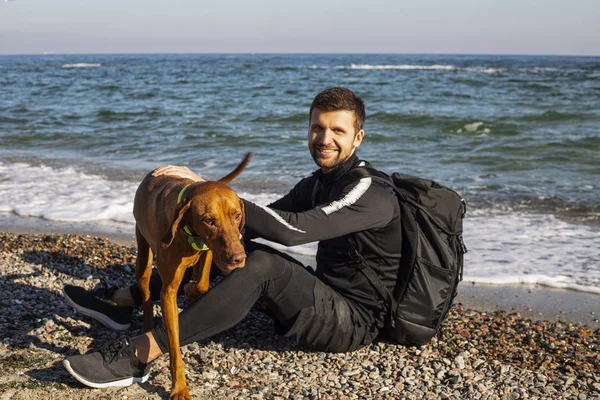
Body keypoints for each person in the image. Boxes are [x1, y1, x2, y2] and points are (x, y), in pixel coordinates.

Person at [62, 87, 401, 388]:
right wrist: (200, 204)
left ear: (358, 137)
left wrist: (206, 189)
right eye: (317, 127)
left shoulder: (370, 191)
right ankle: (129, 299)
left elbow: (291, 231)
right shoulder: (318, 182)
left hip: (353, 322)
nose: (324, 138)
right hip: (322, 295)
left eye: (337, 131)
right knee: (231, 242)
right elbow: (248, 223)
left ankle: (140, 352)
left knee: (263, 263)